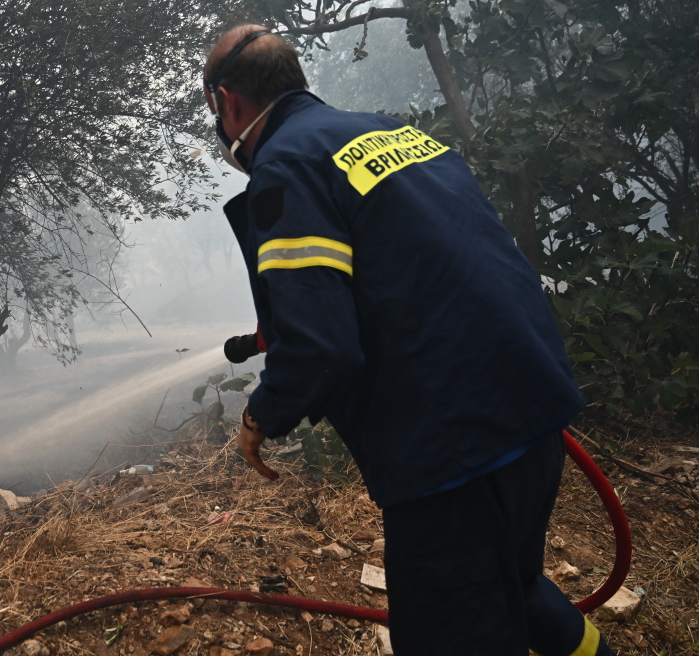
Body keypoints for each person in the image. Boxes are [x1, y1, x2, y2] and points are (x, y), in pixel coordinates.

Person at [203, 24, 613, 656]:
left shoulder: (287, 163)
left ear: (230, 103)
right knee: (518, 583)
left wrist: (264, 413)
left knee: (456, 633)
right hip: (531, 411)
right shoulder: (392, 132)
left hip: (451, 452)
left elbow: (320, 345)